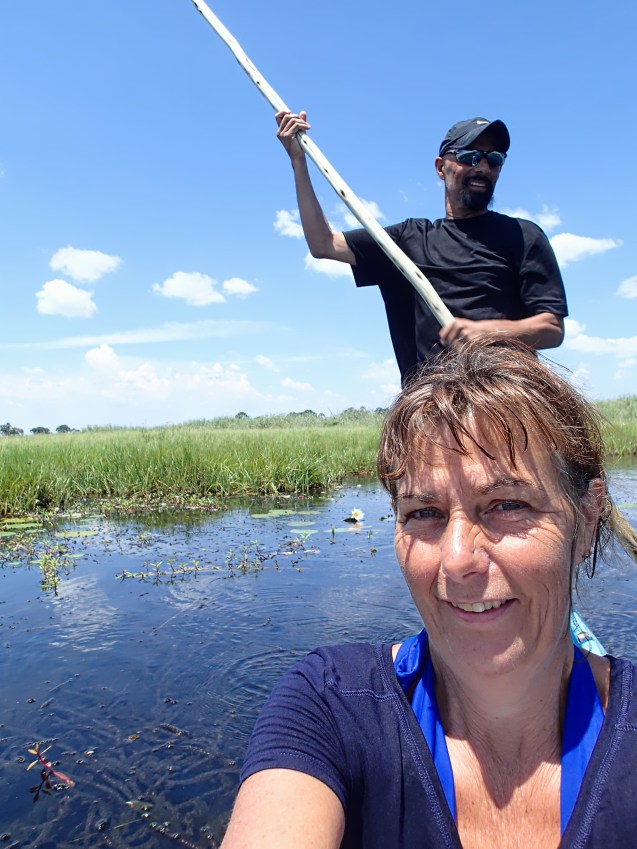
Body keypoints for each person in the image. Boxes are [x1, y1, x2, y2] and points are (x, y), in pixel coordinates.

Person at [220, 337, 637, 849]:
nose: (457, 559)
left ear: (588, 519)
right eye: (423, 513)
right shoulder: (330, 707)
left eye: (508, 504)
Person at [276, 112, 568, 383]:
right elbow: (323, 243)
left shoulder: (523, 235)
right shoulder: (409, 239)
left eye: (494, 159)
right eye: (469, 156)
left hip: (508, 392)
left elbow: (552, 329)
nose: (482, 167)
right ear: (441, 168)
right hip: (430, 399)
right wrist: (298, 162)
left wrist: (486, 332)